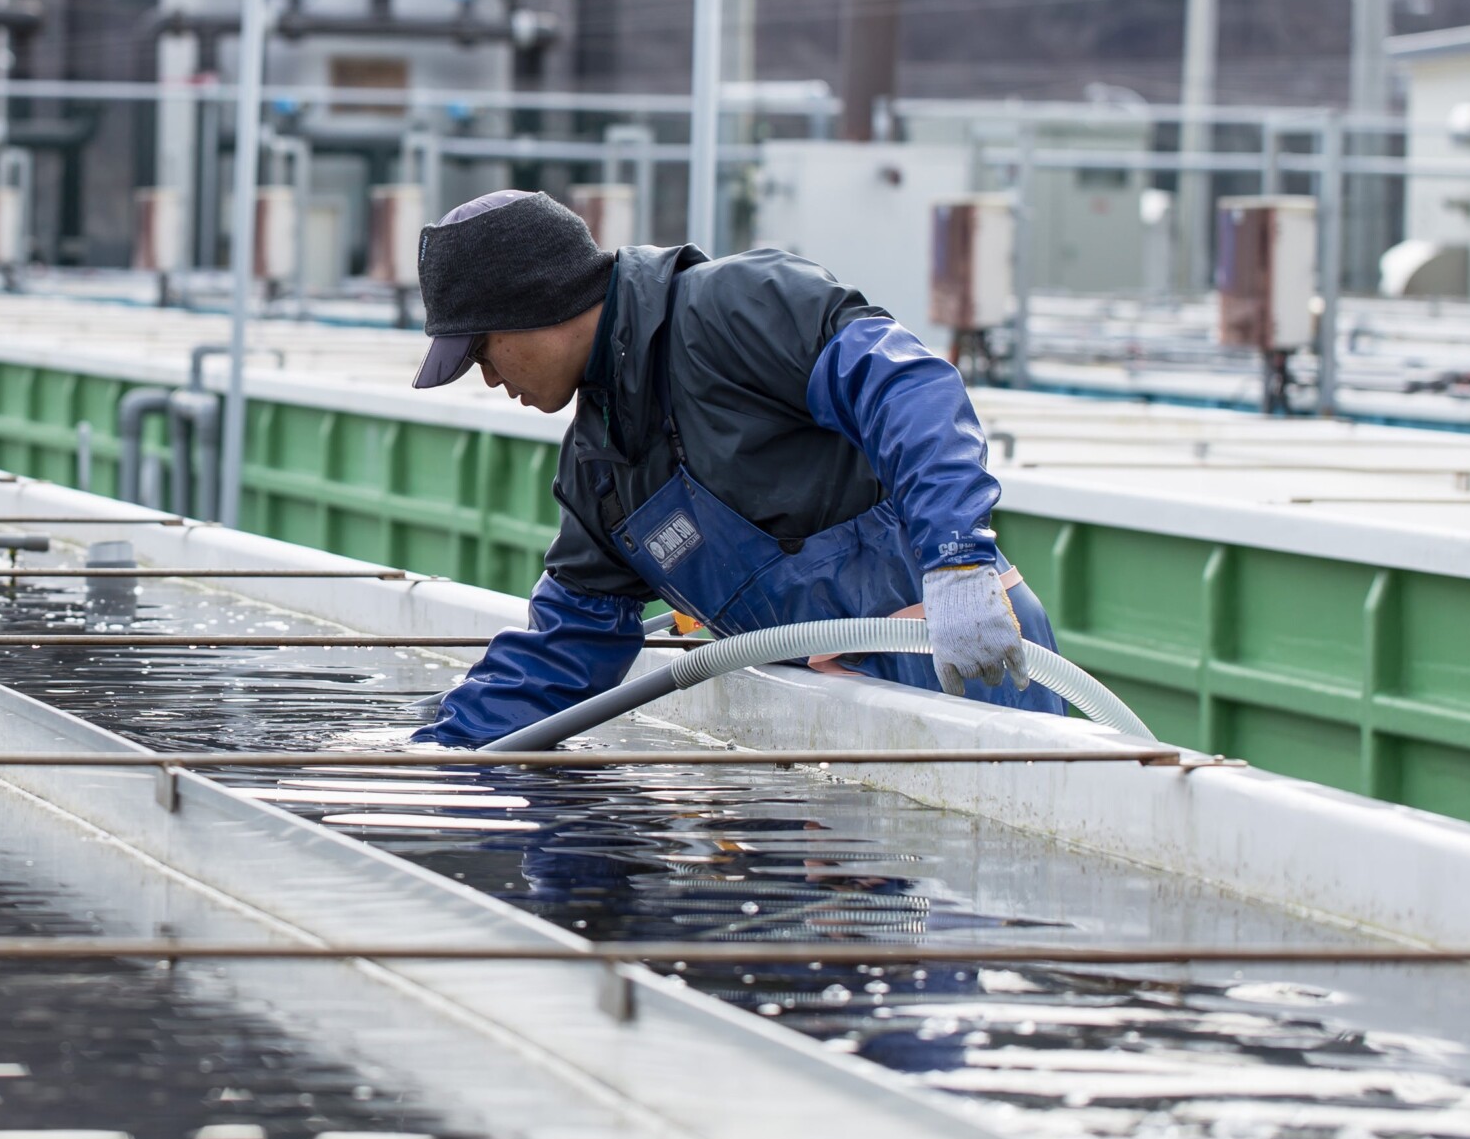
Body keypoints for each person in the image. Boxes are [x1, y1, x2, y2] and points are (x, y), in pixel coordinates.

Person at [408, 189, 1065, 745]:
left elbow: (908, 388)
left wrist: (955, 555)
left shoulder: (729, 309)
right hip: (838, 726)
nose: (490, 377)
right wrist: (439, 751)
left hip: (969, 659)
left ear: (533, 305)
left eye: (484, 351)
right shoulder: (600, 470)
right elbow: (562, 650)